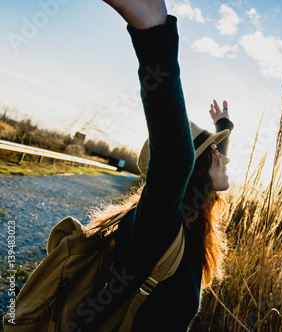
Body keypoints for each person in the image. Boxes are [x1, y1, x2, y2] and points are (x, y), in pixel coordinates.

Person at [83, 0, 235, 330]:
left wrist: (224, 129)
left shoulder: (189, 222)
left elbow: (200, 164)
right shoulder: (158, 224)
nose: (224, 158)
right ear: (191, 170)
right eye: (215, 152)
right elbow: (178, 160)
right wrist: (154, 34)